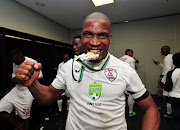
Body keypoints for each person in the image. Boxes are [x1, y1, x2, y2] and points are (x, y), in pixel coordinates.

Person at [14, 12, 160, 130]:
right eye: (88, 34)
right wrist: (32, 84)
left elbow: (150, 109)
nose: (94, 42)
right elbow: (49, 96)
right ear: (82, 36)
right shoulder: (69, 66)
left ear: (110, 38)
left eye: (102, 35)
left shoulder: (124, 69)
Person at [0, 48, 43, 130]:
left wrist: (28, 77)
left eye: (16, 61)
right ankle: (18, 125)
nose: (15, 63)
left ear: (20, 56)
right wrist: (15, 78)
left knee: (25, 116)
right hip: (17, 89)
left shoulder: (32, 62)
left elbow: (40, 76)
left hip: (28, 90)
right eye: (13, 61)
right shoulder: (15, 62)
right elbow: (14, 75)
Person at [154, 45, 174, 118]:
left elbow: (168, 70)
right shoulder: (171, 56)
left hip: (166, 78)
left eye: (162, 50)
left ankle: (169, 113)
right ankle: (169, 111)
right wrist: (160, 65)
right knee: (167, 95)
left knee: (167, 96)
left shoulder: (167, 58)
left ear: (166, 50)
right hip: (170, 77)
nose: (161, 52)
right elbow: (167, 67)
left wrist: (163, 80)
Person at [164, 52, 180, 130]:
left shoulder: (171, 73)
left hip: (175, 98)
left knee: (176, 119)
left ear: (173, 62)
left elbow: (167, 88)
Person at [120, 49, 136, 117]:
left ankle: (121, 113)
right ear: (129, 53)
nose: (132, 54)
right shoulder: (131, 59)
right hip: (129, 79)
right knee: (130, 95)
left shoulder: (119, 58)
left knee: (121, 95)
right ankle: (130, 112)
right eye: (132, 53)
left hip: (120, 79)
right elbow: (133, 70)